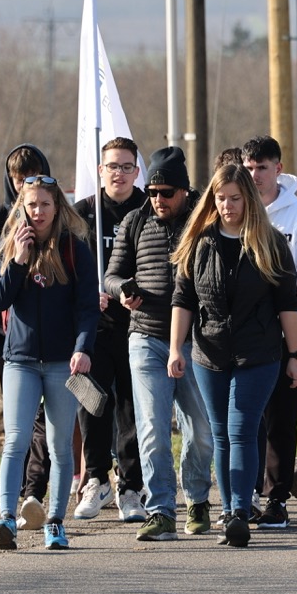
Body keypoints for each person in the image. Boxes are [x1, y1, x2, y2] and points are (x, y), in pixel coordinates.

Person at [169, 164, 297, 548]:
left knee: (242, 428)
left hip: (258, 353)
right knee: (220, 433)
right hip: (209, 352)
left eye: (235, 198)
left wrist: (295, 355)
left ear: (248, 199)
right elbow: (183, 299)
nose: (227, 206)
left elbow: (288, 304)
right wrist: (175, 348)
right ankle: (228, 511)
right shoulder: (199, 242)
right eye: (221, 198)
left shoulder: (270, 243)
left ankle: (241, 511)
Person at [105, 146, 213, 542]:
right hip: (146, 337)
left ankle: (197, 500)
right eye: (152, 192)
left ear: (184, 190)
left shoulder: (205, 221)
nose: (157, 200)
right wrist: (122, 290)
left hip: (196, 341)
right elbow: (111, 275)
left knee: (201, 429)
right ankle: (162, 510)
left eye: (166, 192)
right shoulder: (134, 222)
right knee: (151, 428)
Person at [0, 175, 99, 550]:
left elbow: (88, 307)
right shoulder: (9, 246)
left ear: (57, 207)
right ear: (22, 207)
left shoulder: (74, 248)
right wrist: (19, 260)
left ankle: (55, 522)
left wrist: (83, 348)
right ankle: (6, 518)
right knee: (16, 440)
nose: (38, 211)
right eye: (31, 204)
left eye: (45, 204)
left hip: (62, 362)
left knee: (59, 445)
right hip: (19, 360)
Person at [241, 136, 297, 530]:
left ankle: (277, 498)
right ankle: (245, 495)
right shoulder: (234, 211)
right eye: (248, 168)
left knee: (280, 416)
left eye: (262, 167)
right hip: (242, 334)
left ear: (278, 168)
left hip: (284, 332)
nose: (255, 175)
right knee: (245, 419)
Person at [0, 143, 54, 530]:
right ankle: (19, 491)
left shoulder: (55, 223)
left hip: (51, 342)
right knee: (18, 422)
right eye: (18, 179)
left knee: (44, 420)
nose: (24, 186)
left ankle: (34, 492)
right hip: (8, 340)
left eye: (31, 178)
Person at [72, 138, 148, 523]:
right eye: (112, 166)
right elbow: (67, 269)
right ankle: (96, 478)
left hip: (137, 326)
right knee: (91, 405)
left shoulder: (148, 210)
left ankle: (131, 486)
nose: (119, 173)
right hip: (93, 328)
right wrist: (88, 294)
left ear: (137, 171)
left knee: (132, 409)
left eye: (126, 166)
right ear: (100, 170)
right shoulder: (82, 214)